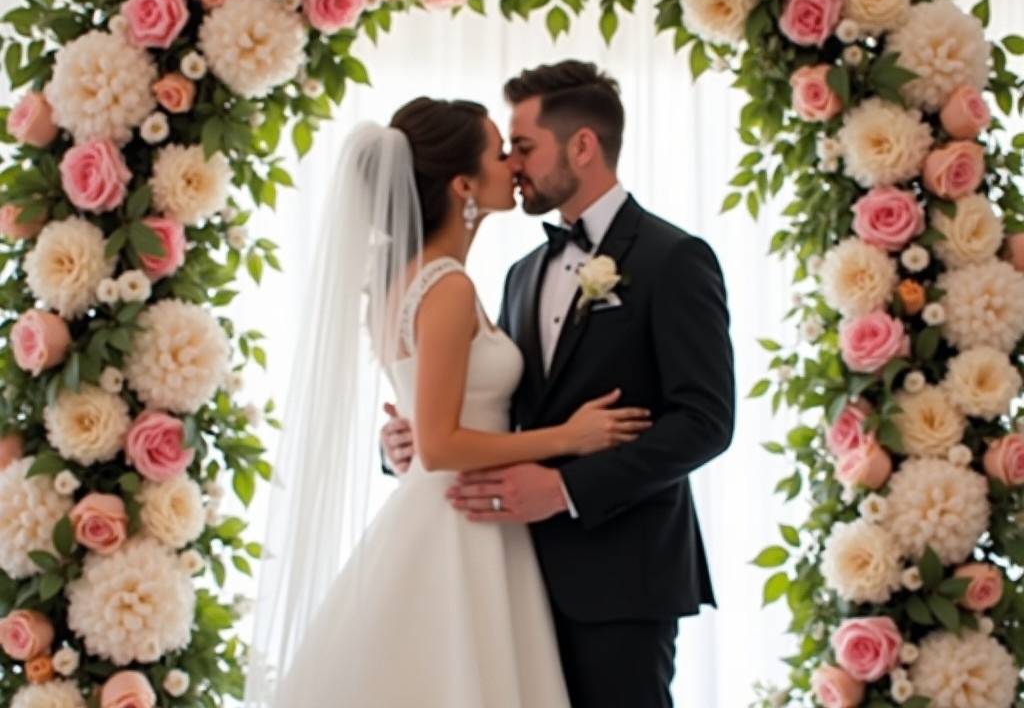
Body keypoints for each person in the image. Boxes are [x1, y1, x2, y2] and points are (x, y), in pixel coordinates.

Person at [243, 97, 652, 708]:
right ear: (463, 182)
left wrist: (400, 439)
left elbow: (427, 424)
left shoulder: (408, 279)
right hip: (461, 519)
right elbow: (438, 445)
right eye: (497, 152)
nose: (512, 164)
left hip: (459, 513)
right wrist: (571, 437)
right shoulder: (448, 286)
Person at [382, 61, 735, 708]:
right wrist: (403, 441)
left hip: (623, 576)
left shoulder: (674, 259)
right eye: (506, 150)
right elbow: (490, 409)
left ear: (581, 146)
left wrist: (568, 489)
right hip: (513, 572)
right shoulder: (520, 272)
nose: (513, 164)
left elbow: (706, 422)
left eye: (524, 146)